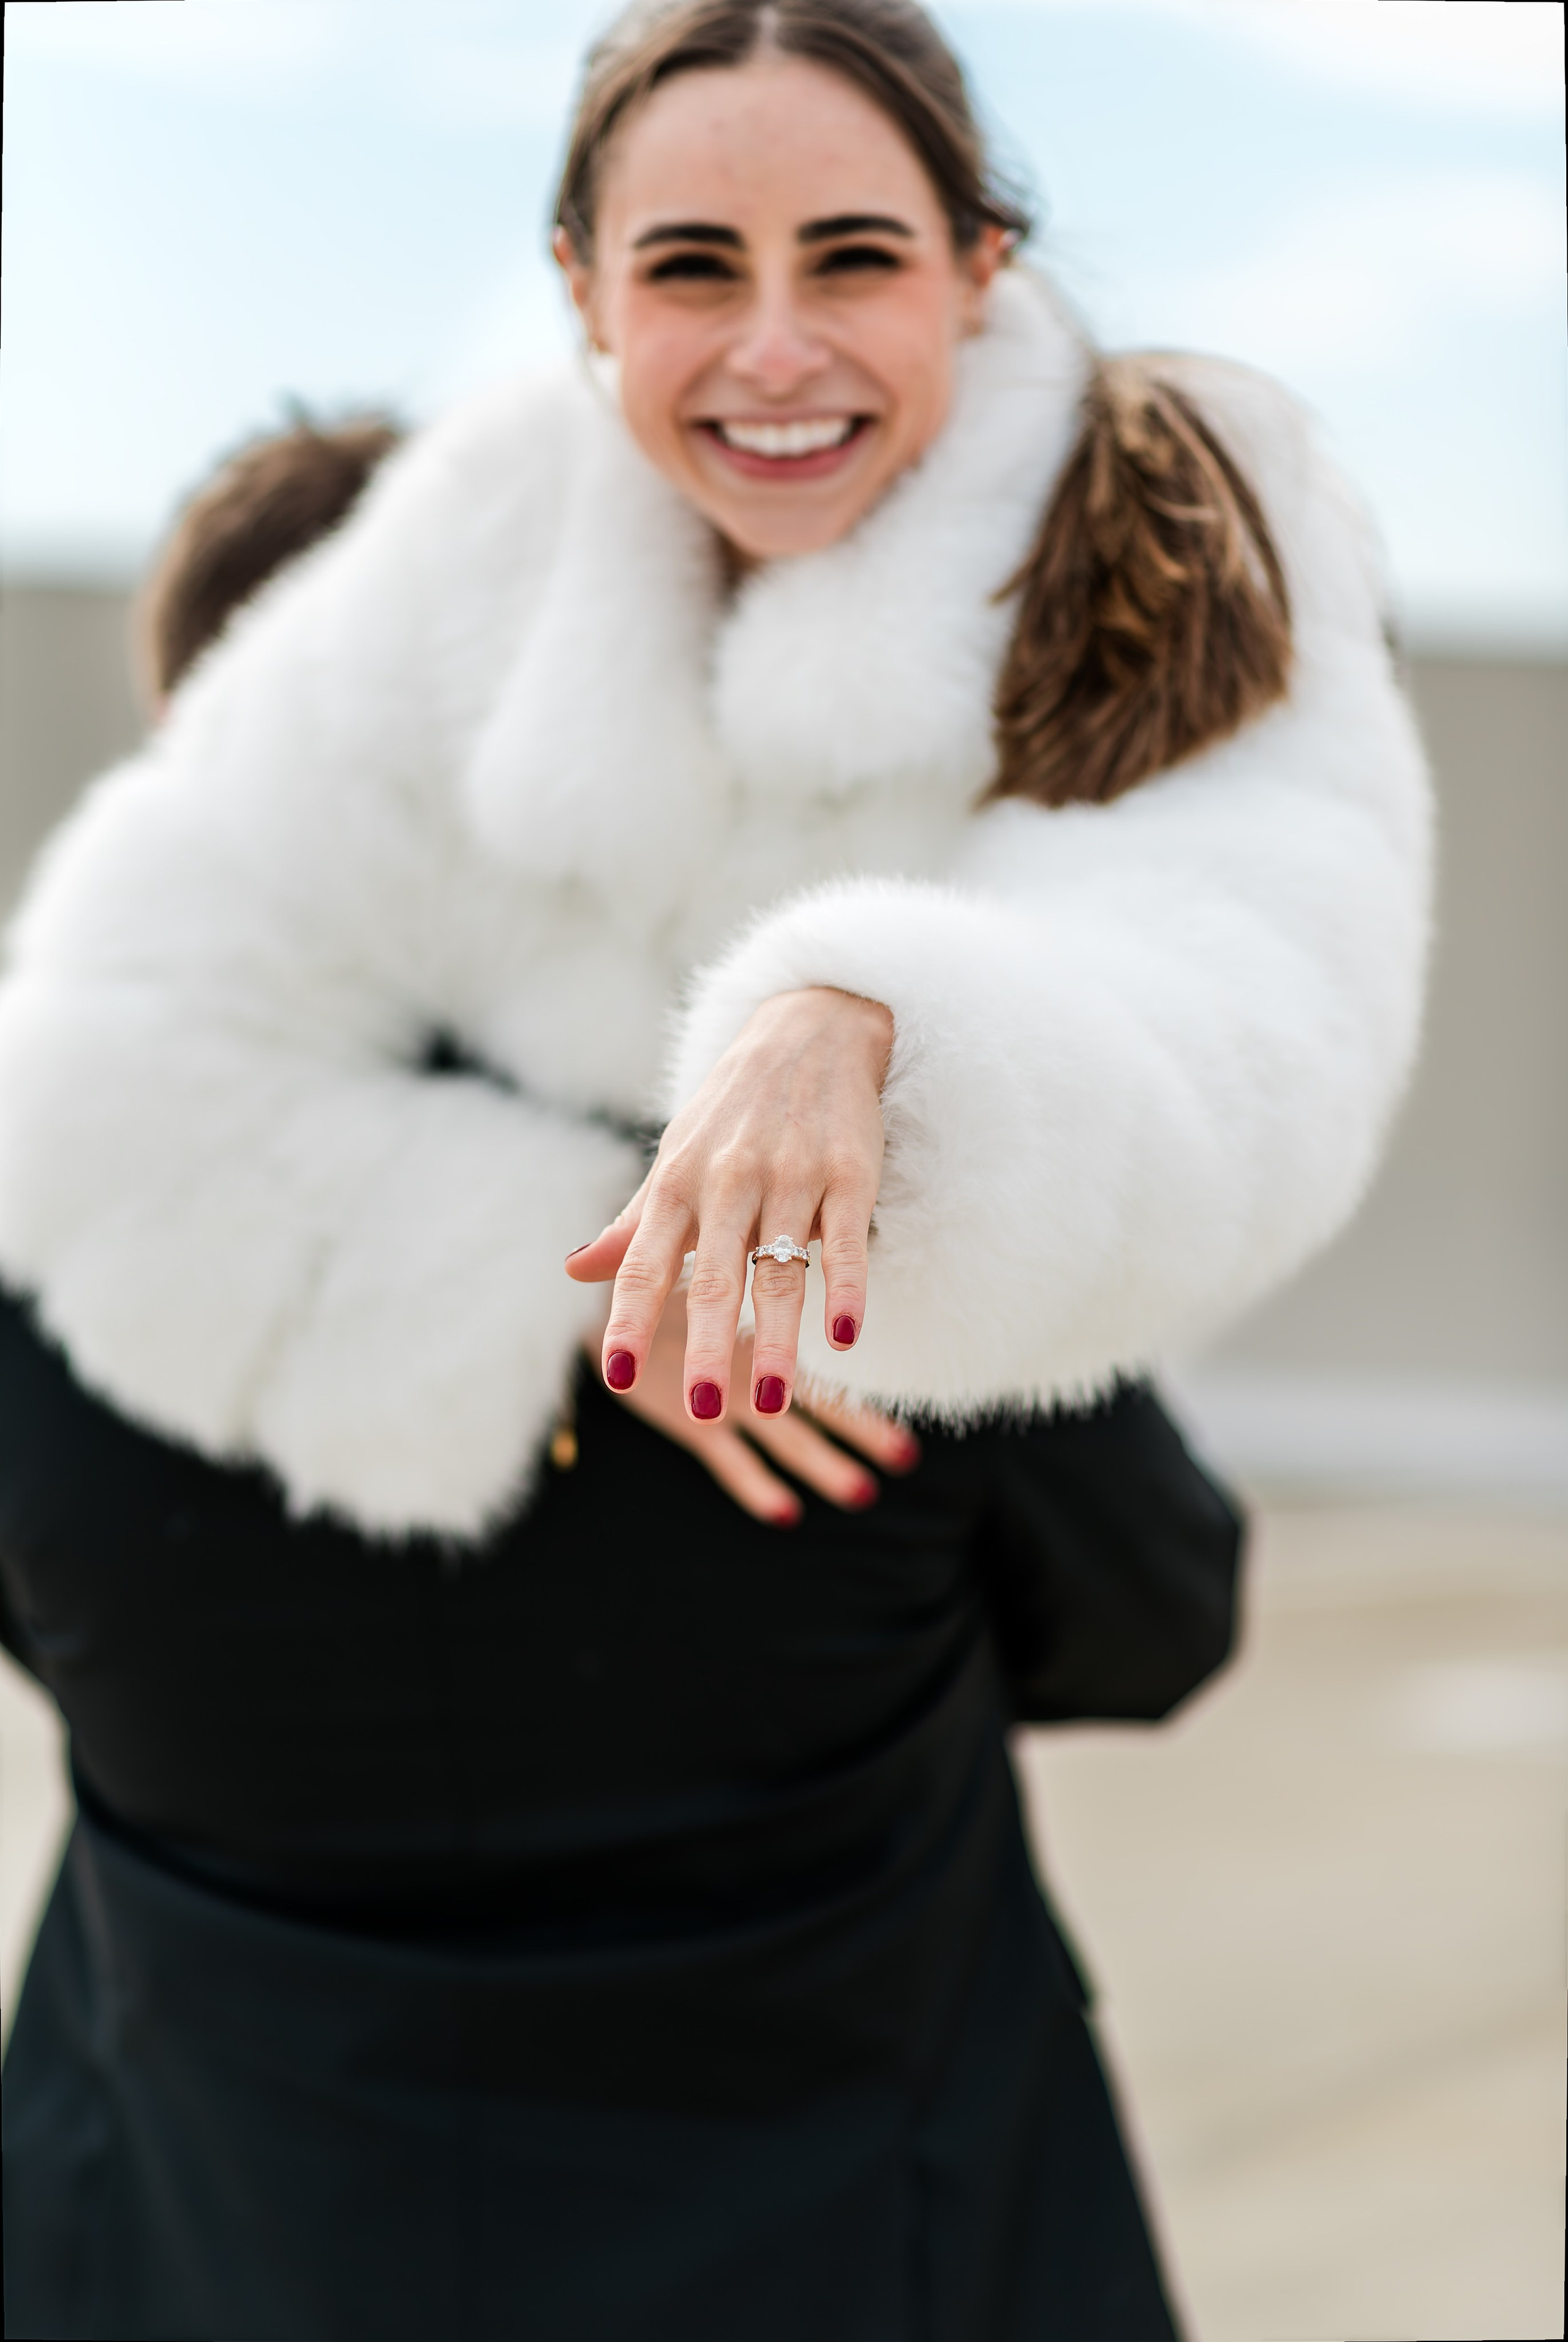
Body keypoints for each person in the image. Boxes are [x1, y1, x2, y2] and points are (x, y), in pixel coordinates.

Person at [0, 2, 1430, 2336]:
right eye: (692, 268)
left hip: (186, 2233)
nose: (771, 343)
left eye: (848, 254)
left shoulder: (79, 1306)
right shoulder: (874, 1322)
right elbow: (1157, 1619)